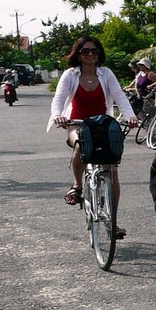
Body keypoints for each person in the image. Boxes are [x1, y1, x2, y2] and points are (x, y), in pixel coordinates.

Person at [48, 35, 139, 237]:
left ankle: (112, 221)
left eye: (94, 51)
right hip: (76, 123)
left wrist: (131, 116)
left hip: (102, 124)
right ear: (78, 55)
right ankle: (78, 186)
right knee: (80, 144)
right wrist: (57, 116)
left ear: (99, 55)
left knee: (112, 169)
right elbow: (59, 99)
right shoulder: (70, 75)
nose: (90, 54)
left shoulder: (106, 74)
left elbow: (120, 97)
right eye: (85, 51)